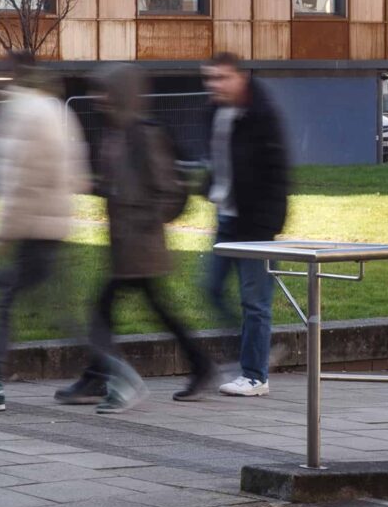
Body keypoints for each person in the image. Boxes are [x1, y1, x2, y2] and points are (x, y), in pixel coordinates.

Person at [58, 65, 214, 411]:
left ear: (123, 93)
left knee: (102, 315)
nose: (99, 98)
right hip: (124, 244)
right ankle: (200, 367)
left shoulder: (144, 134)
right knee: (157, 311)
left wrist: (145, 223)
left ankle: (98, 378)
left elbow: (169, 191)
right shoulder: (116, 131)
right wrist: (95, 187)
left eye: (106, 91)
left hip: (140, 245)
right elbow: (122, 186)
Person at [0, 60, 91, 410]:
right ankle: (107, 372)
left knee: (16, 299)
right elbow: (76, 174)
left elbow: (18, 178)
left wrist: (2, 232)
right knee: (55, 307)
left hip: (34, 226)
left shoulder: (21, 111)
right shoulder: (55, 109)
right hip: (52, 224)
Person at [196, 52, 293, 397]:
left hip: (256, 225)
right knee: (211, 288)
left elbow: (277, 173)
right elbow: (220, 162)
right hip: (227, 217)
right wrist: (210, 187)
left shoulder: (262, 115)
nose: (214, 85)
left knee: (255, 301)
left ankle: (255, 375)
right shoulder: (214, 113)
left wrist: (268, 226)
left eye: (221, 78)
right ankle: (255, 351)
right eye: (209, 79)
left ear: (240, 77)